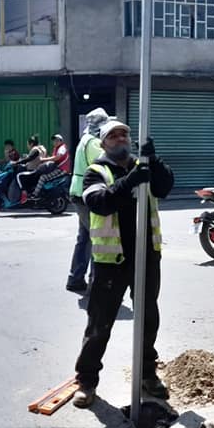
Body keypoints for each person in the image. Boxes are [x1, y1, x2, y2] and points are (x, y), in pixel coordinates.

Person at [71, 120, 174, 408]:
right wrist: (131, 181)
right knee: (99, 325)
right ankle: (86, 380)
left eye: (123, 134)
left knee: (147, 320)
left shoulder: (144, 166)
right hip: (112, 261)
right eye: (112, 136)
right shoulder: (96, 172)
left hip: (147, 256)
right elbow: (100, 202)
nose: (119, 139)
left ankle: (147, 375)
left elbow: (165, 187)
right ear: (103, 144)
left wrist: (153, 158)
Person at [66, 108, 109, 294]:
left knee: (83, 239)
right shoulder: (93, 143)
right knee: (96, 238)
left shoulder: (84, 139)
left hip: (78, 192)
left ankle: (75, 278)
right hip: (87, 194)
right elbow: (103, 165)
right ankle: (95, 282)